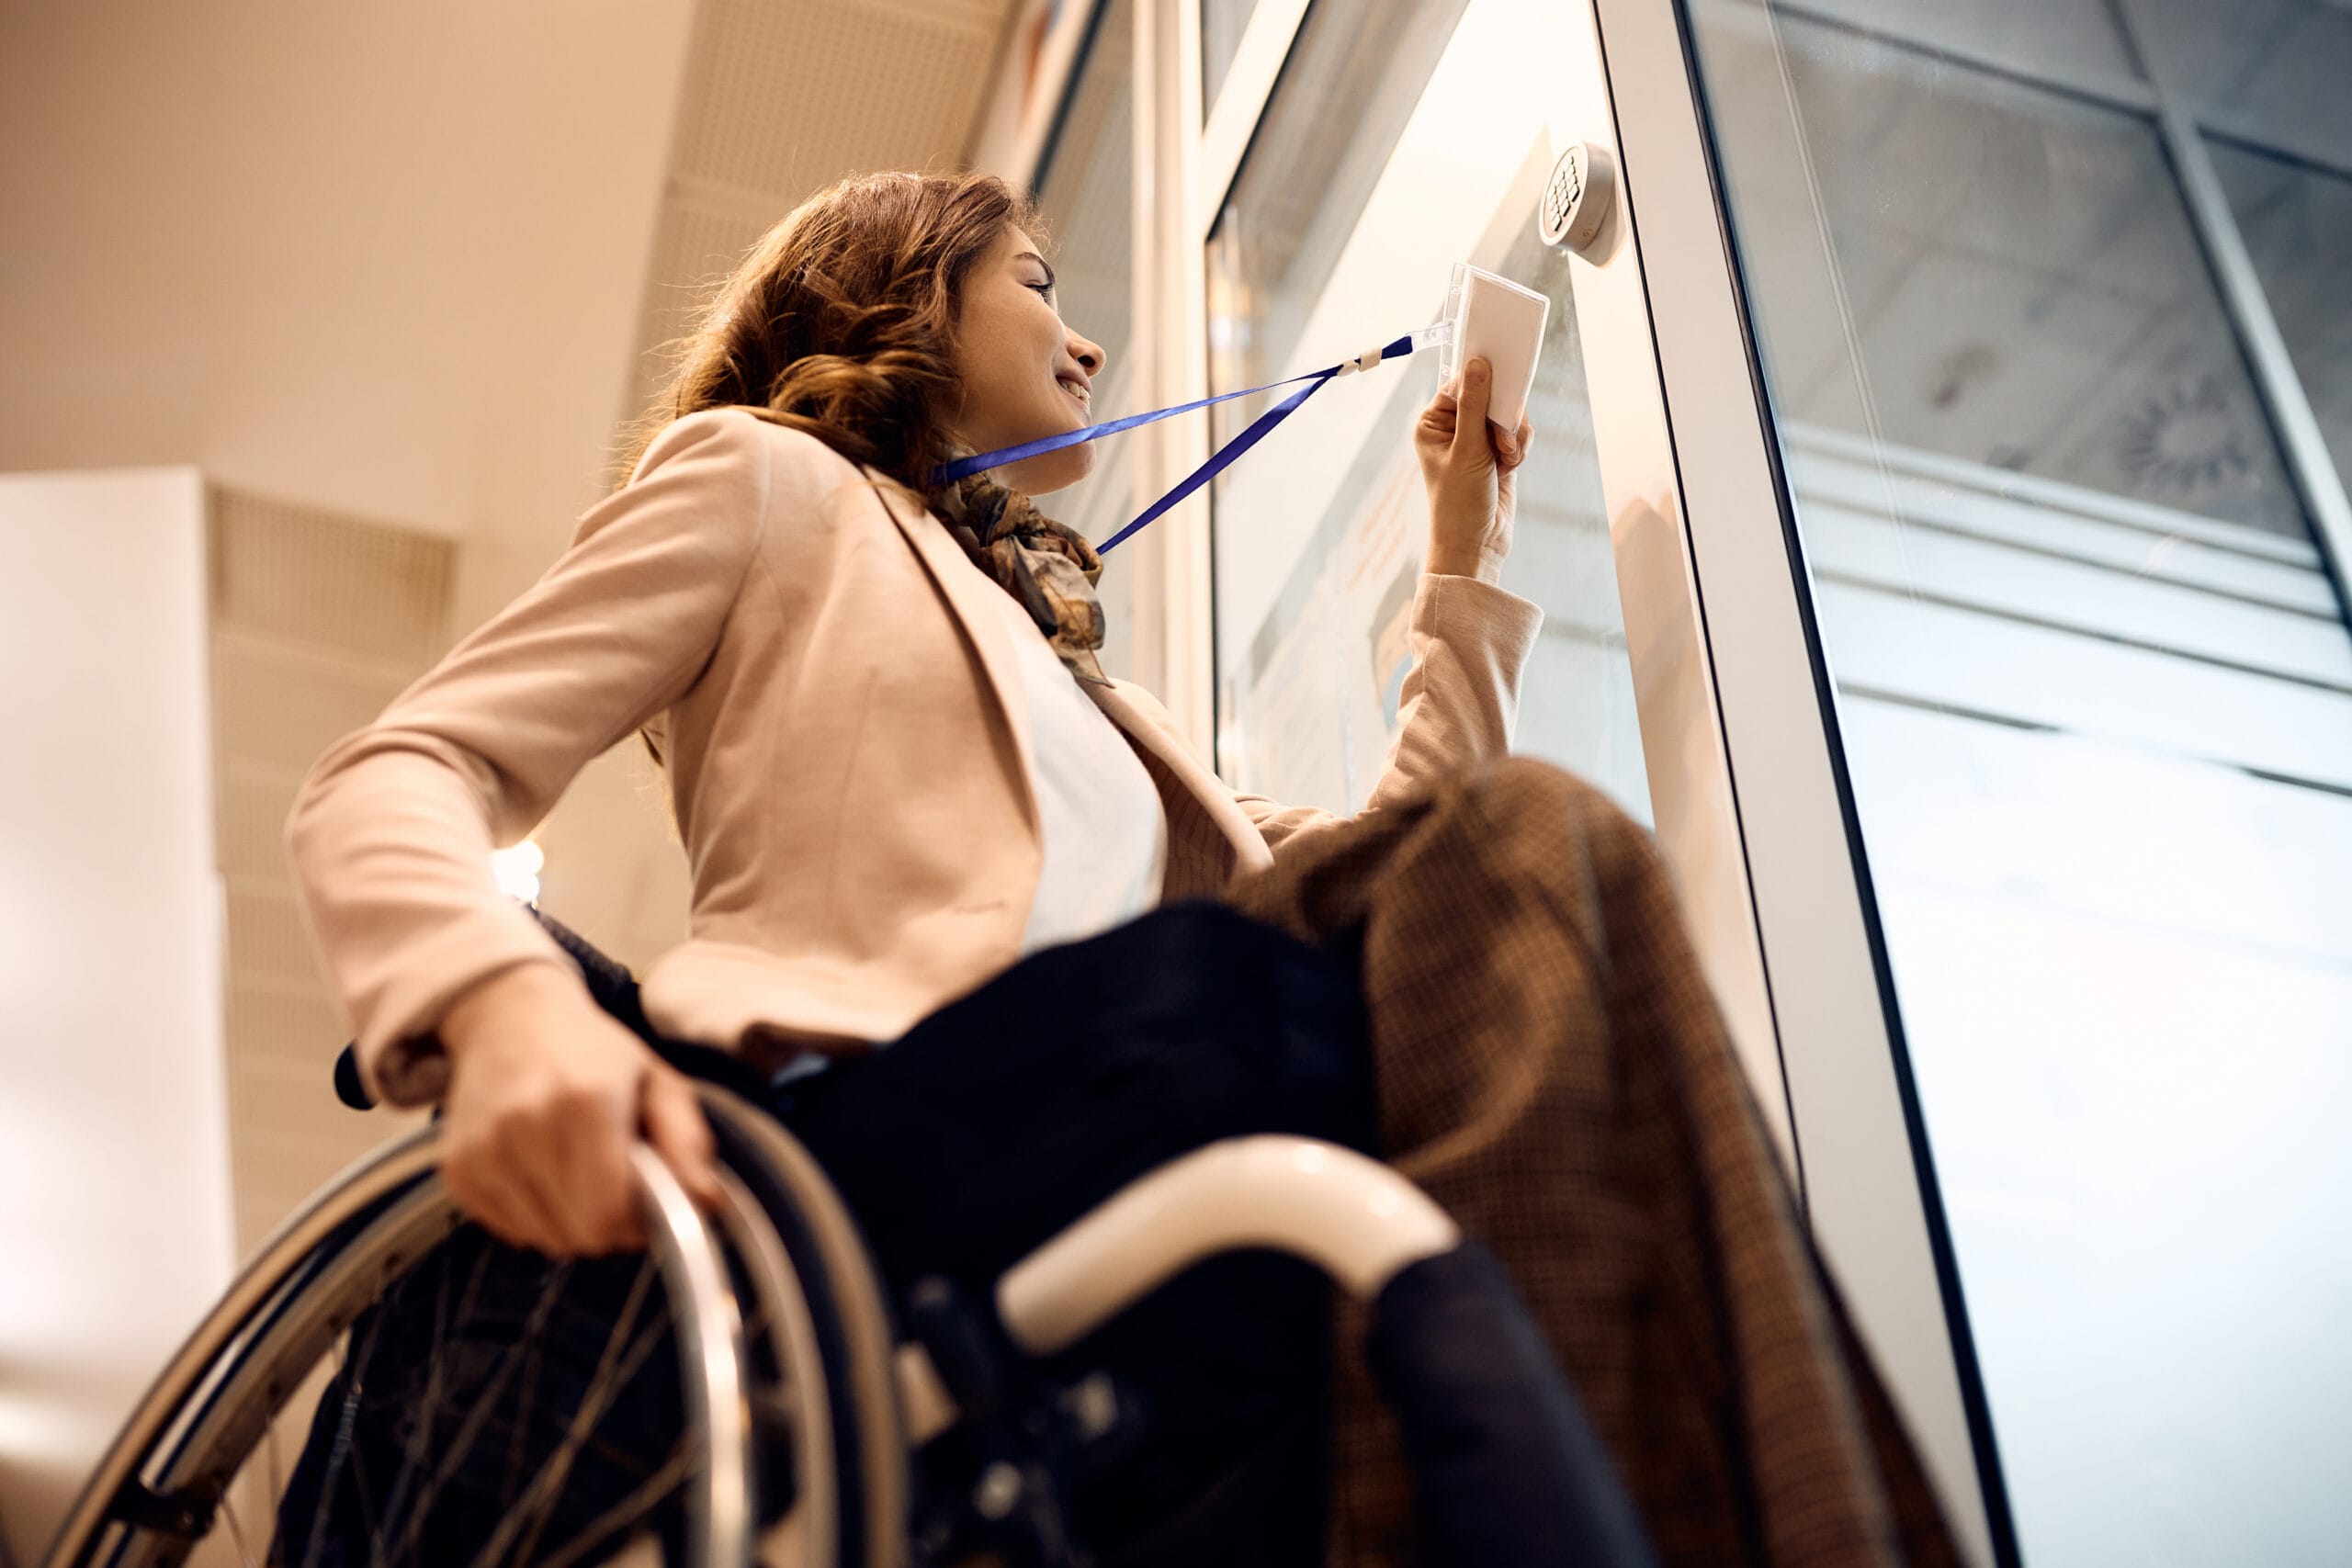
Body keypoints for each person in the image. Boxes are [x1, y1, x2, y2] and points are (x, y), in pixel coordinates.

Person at [287, 171, 1960, 1565]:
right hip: (859, 1143)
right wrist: (506, 1015)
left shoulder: (1100, 704)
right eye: (1034, 279)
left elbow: (1420, 859)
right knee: (1513, 869)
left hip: (1113, 1093)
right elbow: (400, 771)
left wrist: (1462, 554)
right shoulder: (760, 479)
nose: (1082, 333)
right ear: (905, 299)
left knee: (1524, 875)